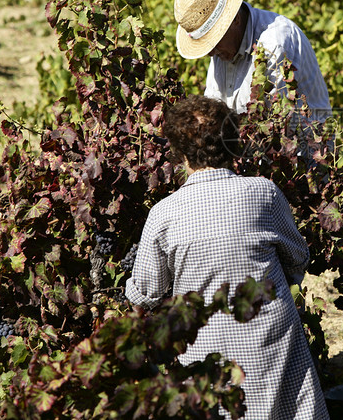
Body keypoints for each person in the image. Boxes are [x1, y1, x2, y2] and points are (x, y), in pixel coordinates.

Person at [125, 95, 330, 420]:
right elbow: (297, 259)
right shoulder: (264, 192)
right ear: (235, 145)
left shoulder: (164, 214)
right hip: (273, 343)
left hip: (208, 357)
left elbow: (146, 293)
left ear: (178, 153)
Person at [173, 0, 332, 123]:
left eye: (213, 42)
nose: (210, 53)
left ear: (234, 19)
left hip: (301, 147)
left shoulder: (274, 42)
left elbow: (273, 124)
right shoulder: (223, 48)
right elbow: (214, 104)